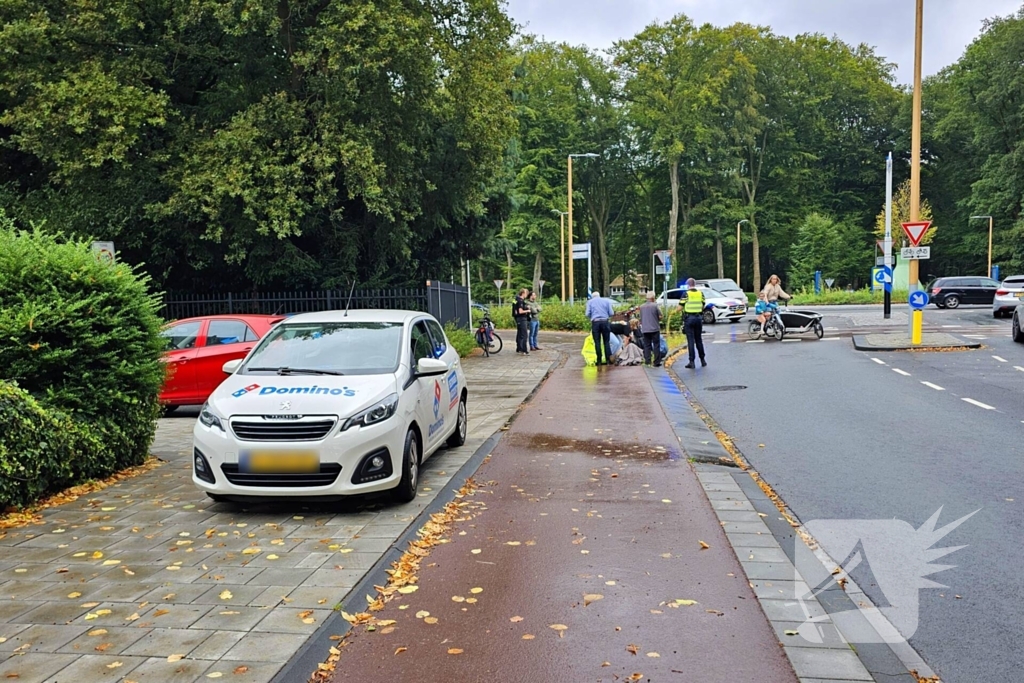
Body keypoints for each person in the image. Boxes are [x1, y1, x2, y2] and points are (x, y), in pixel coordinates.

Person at [681, 278, 706, 369]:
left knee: (691, 341)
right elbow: (703, 305)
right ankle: (703, 360)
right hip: (698, 318)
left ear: (688, 285)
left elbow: (680, 307)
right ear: (694, 284)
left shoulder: (686, 294)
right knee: (699, 339)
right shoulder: (701, 294)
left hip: (689, 319)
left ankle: (692, 362)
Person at [585, 291, 615, 366]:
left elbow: (587, 313)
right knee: (606, 342)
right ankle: (608, 360)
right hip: (605, 322)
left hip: (595, 323)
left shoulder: (590, 302)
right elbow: (611, 313)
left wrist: (592, 317)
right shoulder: (606, 301)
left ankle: (599, 360)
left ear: (592, 296)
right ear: (599, 295)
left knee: (597, 342)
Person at [638, 290, 663, 367]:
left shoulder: (641, 307)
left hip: (645, 329)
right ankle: (656, 362)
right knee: (656, 345)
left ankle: (647, 361)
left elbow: (640, 318)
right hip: (654, 328)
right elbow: (661, 316)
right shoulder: (655, 306)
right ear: (653, 298)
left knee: (647, 345)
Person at [512, 288, 531, 355]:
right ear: (523, 293)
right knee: (524, 334)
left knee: (519, 334)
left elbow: (514, 307)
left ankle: (519, 348)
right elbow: (520, 311)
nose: (527, 295)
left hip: (517, 318)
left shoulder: (515, 299)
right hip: (522, 318)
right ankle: (524, 350)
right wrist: (527, 310)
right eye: (526, 293)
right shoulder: (520, 301)